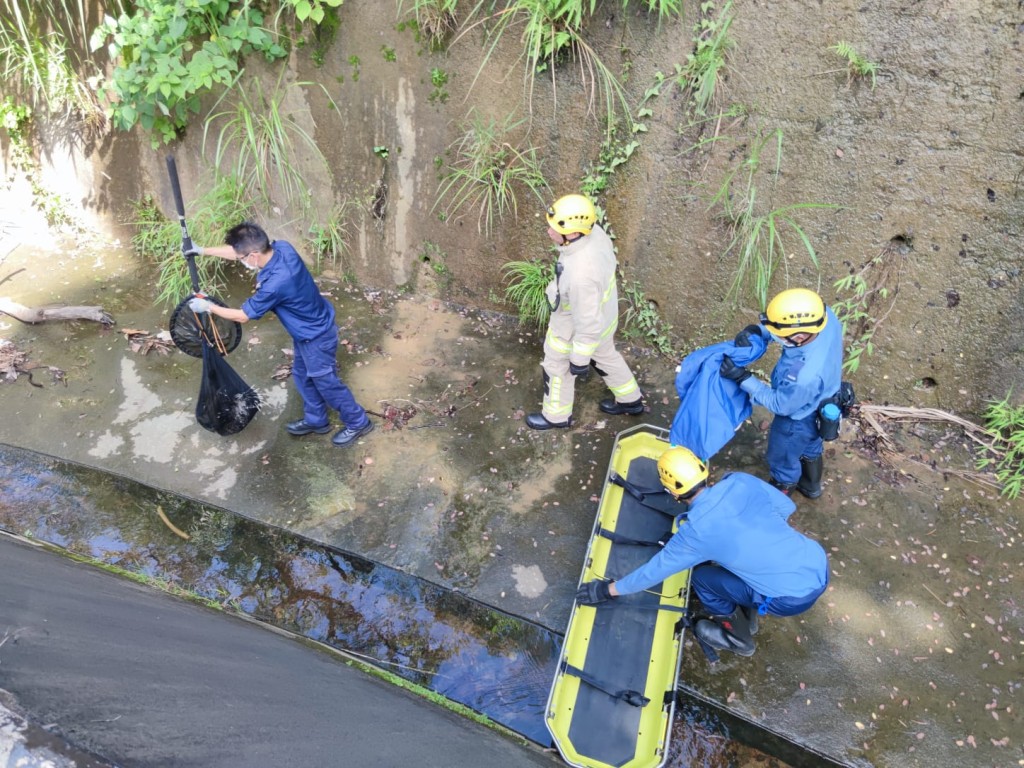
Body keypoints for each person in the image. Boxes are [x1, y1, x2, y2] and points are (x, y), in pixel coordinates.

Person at [576, 447, 829, 658]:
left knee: (702, 578)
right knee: (737, 565)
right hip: (817, 563)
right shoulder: (739, 481)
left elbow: (652, 572)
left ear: (672, 492)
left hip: (788, 598)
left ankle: (739, 639)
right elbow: (787, 505)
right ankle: (748, 612)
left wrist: (607, 590)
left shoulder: (694, 532)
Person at [186, 221, 373, 448]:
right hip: (306, 332)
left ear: (254, 255)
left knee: (327, 384)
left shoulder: (276, 283)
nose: (241, 261)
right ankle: (317, 420)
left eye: (243, 259)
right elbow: (239, 251)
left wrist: (208, 307)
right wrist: (201, 250)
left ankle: (358, 422)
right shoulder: (281, 248)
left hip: (317, 337)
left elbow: (243, 315)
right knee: (303, 376)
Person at [525, 194, 643, 430]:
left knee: (557, 366)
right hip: (604, 316)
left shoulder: (581, 276)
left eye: (555, 228)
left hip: (575, 328)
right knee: (606, 356)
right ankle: (631, 400)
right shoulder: (595, 234)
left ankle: (556, 417)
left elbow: (587, 323)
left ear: (573, 233)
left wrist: (579, 359)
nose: (549, 231)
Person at [719, 288, 843, 498]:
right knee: (811, 447)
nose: (775, 336)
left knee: (782, 459)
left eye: (778, 334)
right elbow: (786, 329)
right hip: (825, 400)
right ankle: (811, 487)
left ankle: (779, 496)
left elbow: (781, 405)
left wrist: (743, 378)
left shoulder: (804, 375)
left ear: (800, 336)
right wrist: (759, 331)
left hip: (798, 419)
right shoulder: (824, 316)